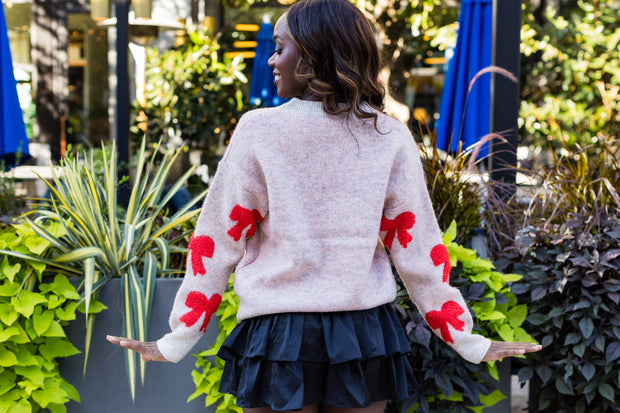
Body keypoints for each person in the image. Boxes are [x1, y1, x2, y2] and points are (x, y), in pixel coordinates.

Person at [107, 0, 541, 412]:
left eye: (279, 48)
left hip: (276, 332)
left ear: (313, 57)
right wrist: (465, 338)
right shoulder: (388, 136)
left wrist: (178, 338)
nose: (272, 61)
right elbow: (417, 246)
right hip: (364, 333)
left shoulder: (260, 131)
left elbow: (218, 239)